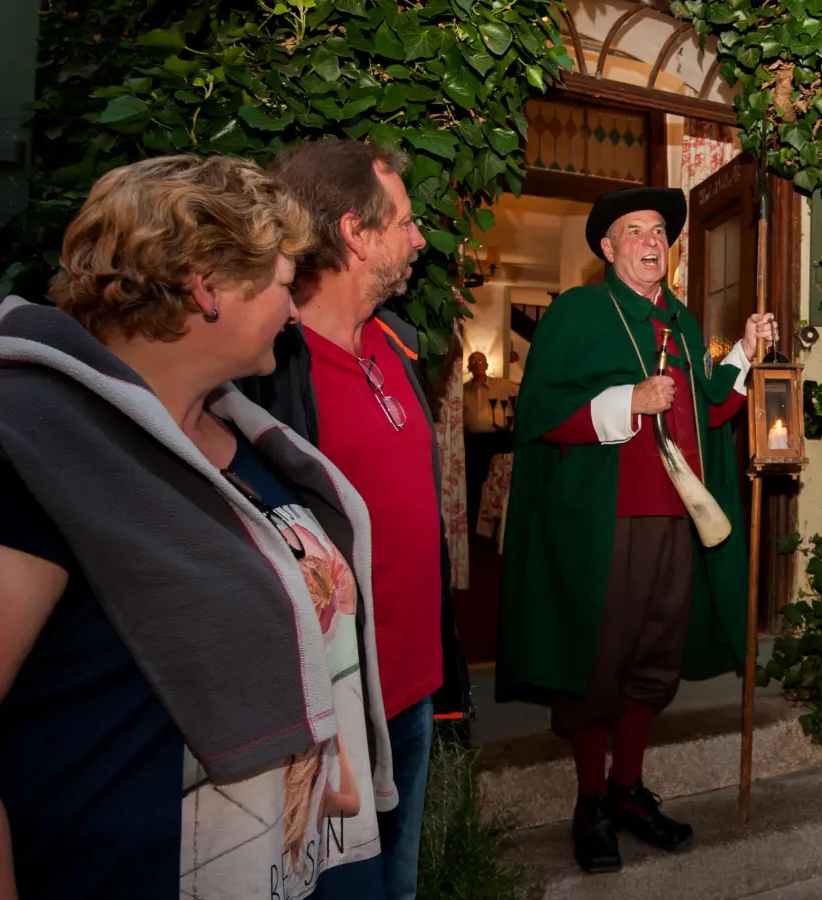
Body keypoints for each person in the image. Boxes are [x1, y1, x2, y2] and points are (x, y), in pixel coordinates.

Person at [0, 155, 393, 899]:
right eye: (280, 280)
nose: (293, 309)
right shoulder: (30, 445)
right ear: (207, 284)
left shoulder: (250, 440)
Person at [495, 186, 777, 874]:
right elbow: (538, 416)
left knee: (652, 664)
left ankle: (627, 789)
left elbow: (709, 415)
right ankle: (590, 800)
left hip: (675, 519)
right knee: (597, 662)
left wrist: (741, 351)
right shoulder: (577, 313)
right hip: (602, 523)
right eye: (636, 230)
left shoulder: (680, 322)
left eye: (660, 231)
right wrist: (629, 400)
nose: (653, 241)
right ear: (607, 247)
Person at [235, 138, 472, 900]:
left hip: (412, 690)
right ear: (354, 233)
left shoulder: (395, 347)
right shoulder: (271, 373)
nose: (417, 238)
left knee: (395, 889)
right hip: (330, 710)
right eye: (401, 221)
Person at [463, 350, 515, 521]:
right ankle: (474, 520)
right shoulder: (463, 391)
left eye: (480, 362)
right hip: (472, 442)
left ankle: (495, 518)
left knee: (497, 480)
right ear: (468, 366)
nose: (477, 365)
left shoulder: (502, 385)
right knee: (473, 480)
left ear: (486, 365)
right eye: (473, 362)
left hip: (497, 440)